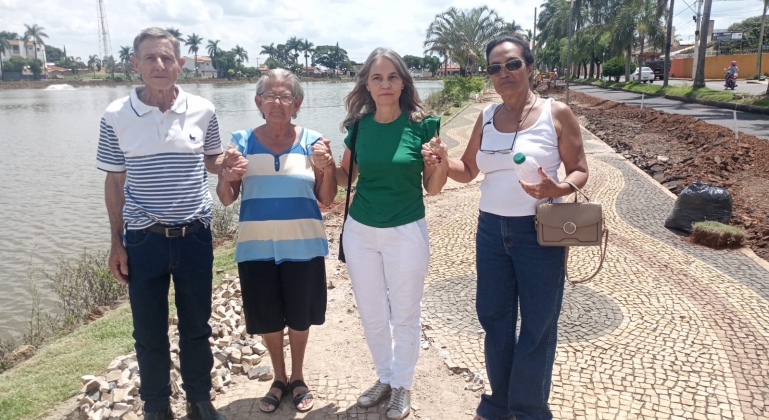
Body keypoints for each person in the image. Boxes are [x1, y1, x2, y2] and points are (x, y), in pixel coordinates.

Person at [425, 35, 589, 420]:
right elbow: (467, 172)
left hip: (540, 232)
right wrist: (443, 160)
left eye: (512, 64)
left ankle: (529, 409)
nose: (504, 73)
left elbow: (580, 168)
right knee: (494, 318)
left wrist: (559, 188)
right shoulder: (485, 118)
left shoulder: (556, 112)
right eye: (495, 68)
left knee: (538, 322)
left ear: (530, 67)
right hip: (491, 231)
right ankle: (499, 402)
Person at [97, 28, 228, 420]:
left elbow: (211, 160)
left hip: (195, 236)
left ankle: (199, 401)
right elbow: (115, 179)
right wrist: (116, 242)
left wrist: (230, 165)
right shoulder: (115, 116)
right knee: (148, 332)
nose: (159, 65)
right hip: (142, 240)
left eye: (167, 58)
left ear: (180, 65)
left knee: (197, 326)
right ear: (135, 64)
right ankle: (157, 407)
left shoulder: (204, 109)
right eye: (150, 58)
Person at [334, 47, 449, 420]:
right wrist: (318, 164)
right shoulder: (358, 128)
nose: (385, 84)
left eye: (392, 77)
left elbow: (433, 188)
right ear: (366, 84)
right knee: (371, 312)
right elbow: (343, 178)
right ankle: (384, 377)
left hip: (406, 231)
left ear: (403, 82)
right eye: (377, 77)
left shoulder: (423, 125)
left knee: (404, 313)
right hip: (360, 232)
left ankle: (402, 384)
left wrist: (440, 163)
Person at [216, 68, 337, 414]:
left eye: (286, 96)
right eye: (270, 95)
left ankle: (298, 376)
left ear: (297, 103)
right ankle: (278, 377)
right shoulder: (240, 141)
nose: (277, 102)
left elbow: (327, 199)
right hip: (257, 246)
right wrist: (227, 173)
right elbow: (226, 198)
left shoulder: (314, 141)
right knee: (268, 317)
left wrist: (325, 168)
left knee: (300, 316)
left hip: (303, 245)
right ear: (258, 102)